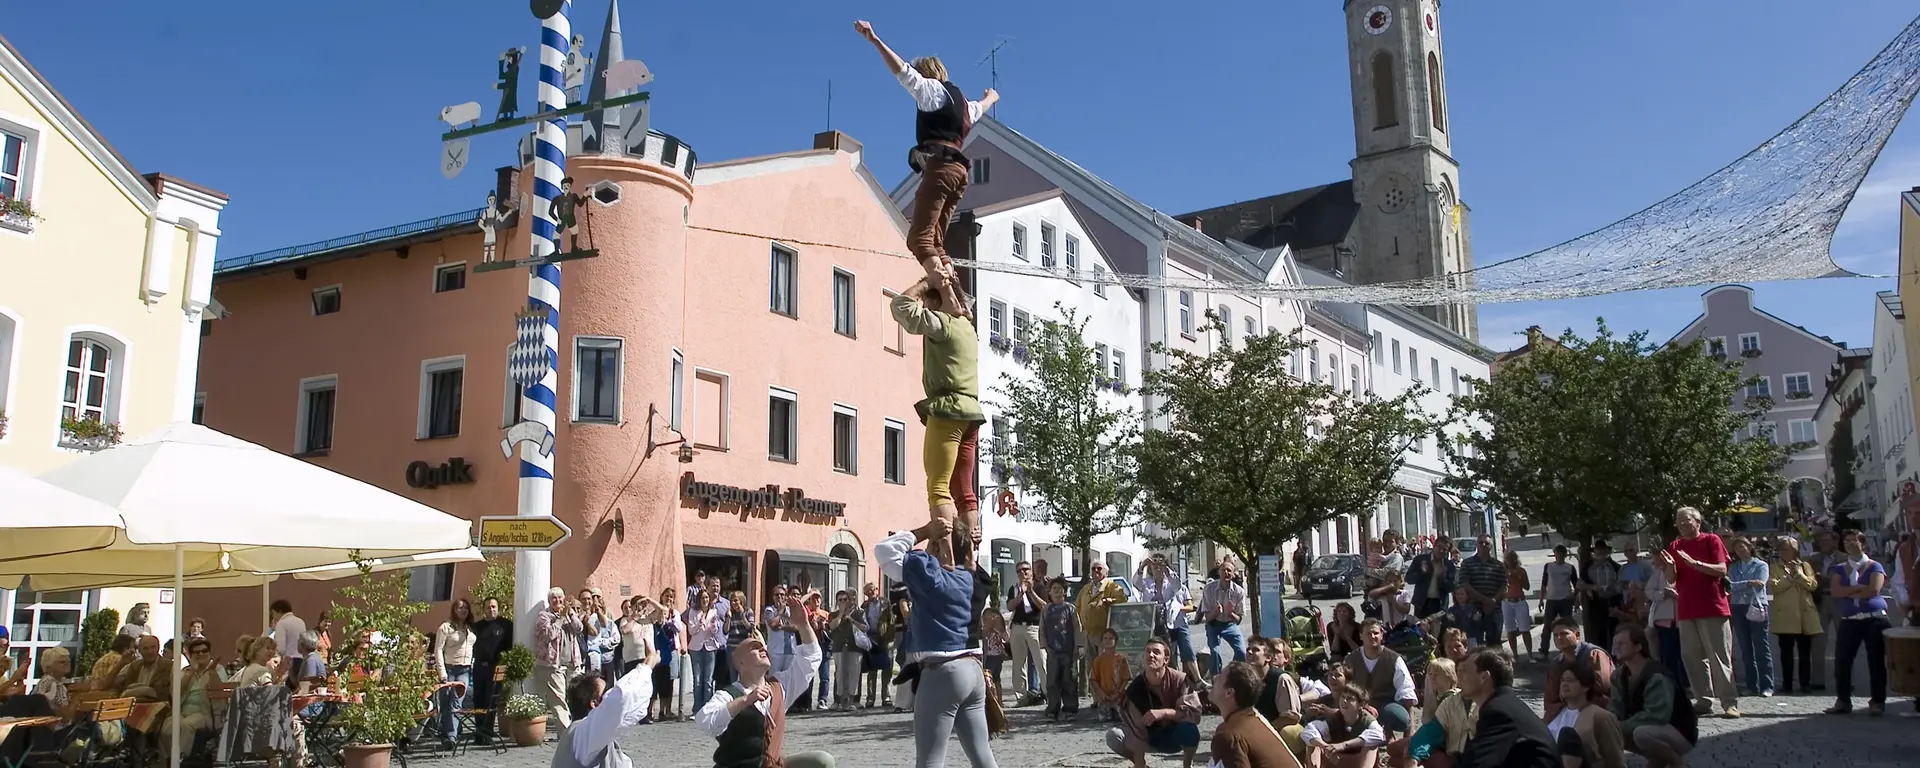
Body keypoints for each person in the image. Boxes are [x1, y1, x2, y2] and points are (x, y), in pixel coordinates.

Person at [853, 19, 997, 316]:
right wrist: (991, 97)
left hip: (942, 168)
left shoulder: (931, 91)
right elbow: (981, 107)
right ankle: (962, 304)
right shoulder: (963, 105)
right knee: (936, 242)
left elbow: (902, 71)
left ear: (928, 74)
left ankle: (952, 303)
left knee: (918, 239)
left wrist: (874, 39)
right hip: (960, 173)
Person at [875, 518, 999, 768]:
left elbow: (884, 550)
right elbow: (976, 570)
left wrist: (924, 531)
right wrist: (966, 544)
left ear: (944, 548)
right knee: (982, 756)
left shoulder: (930, 575)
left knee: (930, 761)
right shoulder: (969, 578)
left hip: (943, 670)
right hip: (972, 670)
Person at [890, 276, 987, 565]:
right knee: (964, 489)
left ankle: (946, 556)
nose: (926, 307)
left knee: (938, 485)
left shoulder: (942, 324)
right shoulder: (968, 329)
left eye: (929, 302)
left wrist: (922, 284)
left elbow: (901, 307)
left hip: (947, 410)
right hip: (970, 413)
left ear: (937, 302)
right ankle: (970, 557)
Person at [697, 595, 834, 768]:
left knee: (821, 761)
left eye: (763, 647)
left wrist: (803, 625)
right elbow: (705, 720)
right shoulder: (728, 695)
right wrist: (746, 700)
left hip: (771, 765)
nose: (763, 648)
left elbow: (810, 658)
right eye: (754, 647)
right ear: (740, 662)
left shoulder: (779, 687)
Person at [1666, 506, 1739, 718]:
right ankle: (1703, 699)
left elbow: (1721, 569)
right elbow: (1672, 579)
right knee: (1691, 657)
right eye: (1678, 520)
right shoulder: (1675, 545)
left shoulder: (1711, 540)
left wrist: (1694, 563)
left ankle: (1729, 702)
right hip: (1686, 609)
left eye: (1686, 520)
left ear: (1698, 522)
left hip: (1712, 606)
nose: (1681, 524)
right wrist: (1670, 566)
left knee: (1719, 657)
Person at [1107, 638, 1202, 768]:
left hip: (1174, 734)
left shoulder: (1180, 680)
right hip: (1147, 737)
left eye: (1156, 652)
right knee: (1114, 736)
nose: (1151, 655)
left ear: (1166, 660)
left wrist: (1164, 713)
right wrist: (1140, 763)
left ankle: (1187, 765)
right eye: (1148, 651)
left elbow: (1192, 714)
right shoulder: (1135, 688)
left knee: (1191, 730)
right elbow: (1136, 729)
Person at [1825, 528, 1890, 716]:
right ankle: (1843, 700)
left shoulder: (1874, 566)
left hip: (1874, 618)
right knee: (1843, 661)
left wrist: (1850, 589)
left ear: (1863, 543)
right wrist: (1858, 588)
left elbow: (1873, 591)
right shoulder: (1840, 568)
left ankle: (1878, 701)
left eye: (1854, 540)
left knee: (1876, 661)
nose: (1850, 544)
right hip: (1850, 620)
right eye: (1847, 541)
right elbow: (1836, 592)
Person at [1458, 647, 1559, 768]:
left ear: (1484, 677)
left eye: (1465, 670)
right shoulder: (1505, 703)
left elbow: (1477, 762)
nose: (1459, 676)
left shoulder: (1499, 712)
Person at [1610, 625, 1694, 768]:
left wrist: (1618, 727)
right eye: (1615, 644)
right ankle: (1657, 761)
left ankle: (1675, 762)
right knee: (1609, 731)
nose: (1616, 648)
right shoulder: (1618, 675)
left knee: (1641, 734)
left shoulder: (1656, 675)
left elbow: (1657, 715)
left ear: (1638, 647)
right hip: (1644, 726)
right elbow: (1616, 708)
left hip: (1678, 731)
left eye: (1621, 644)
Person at [553, 656, 652, 768]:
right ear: (594, 704)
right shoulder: (583, 733)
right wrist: (648, 665)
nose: (610, 694)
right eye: (607, 692)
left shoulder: (591, 734)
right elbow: (622, 698)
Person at [1209, 661, 1304, 768]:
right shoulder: (1256, 719)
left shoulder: (1229, 736)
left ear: (1229, 692)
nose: (1215, 678)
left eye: (1220, 676)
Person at [1384, 658, 1471, 768]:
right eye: (1431, 674)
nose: (1433, 678)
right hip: (1443, 745)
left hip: (1450, 751)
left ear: (1450, 675)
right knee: (1395, 753)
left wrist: (1414, 755)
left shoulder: (1451, 699)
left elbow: (1436, 732)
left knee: (1395, 752)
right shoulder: (1441, 698)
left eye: (1437, 674)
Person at [1340, 619, 1417, 736]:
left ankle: (1388, 731)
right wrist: (1362, 706)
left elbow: (1406, 690)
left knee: (1400, 719)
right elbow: (1343, 686)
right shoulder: (1351, 659)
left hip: (1385, 705)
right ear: (1361, 636)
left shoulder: (1394, 659)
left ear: (1381, 635)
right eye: (1368, 633)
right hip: (1358, 705)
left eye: (1375, 633)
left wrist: (1410, 730)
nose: (1372, 636)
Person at [1765, 535, 1820, 695]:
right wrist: (1789, 578)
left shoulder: (1805, 565)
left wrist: (1800, 575)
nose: (1785, 552)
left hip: (1804, 615)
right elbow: (1774, 587)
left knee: (1804, 653)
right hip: (1785, 615)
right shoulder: (1775, 566)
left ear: (1795, 550)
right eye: (1782, 549)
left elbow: (1812, 585)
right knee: (1786, 653)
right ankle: (1787, 684)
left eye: (1788, 549)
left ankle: (1805, 683)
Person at [1136, 554, 1200, 683]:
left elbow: (1178, 585)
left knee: (1185, 651)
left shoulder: (1170, 581)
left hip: (1174, 621)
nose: (1157, 567)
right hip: (1155, 623)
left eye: (1160, 564)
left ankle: (1196, 679)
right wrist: (1142, 566)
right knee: (1166, 653)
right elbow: (1136, 583)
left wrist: (1166, 570)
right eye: (1154, 564)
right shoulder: (1147, 582)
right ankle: (1169, 680)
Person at [1724, 535, 1774, 697]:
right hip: (1738, 607)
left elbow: (1760, 584)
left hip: (1756, 606)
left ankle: (1767, 685)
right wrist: (1747, 583)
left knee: (1761, 646)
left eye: (1743, 546)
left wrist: (1744, 584)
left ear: (1749, 547)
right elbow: (1730, 586)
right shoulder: (1734, 567)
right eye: (1737, 548)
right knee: (1745, 648)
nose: (1741, 550)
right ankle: (1751, 685)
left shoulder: (1761, 565)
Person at [1550, 664, 1627, 768]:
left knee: (1567, 734)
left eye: (1570, 680)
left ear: (1586, 686)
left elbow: (1615, 758)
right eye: (1562, 680)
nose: (1564, 684)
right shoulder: (1553, 713)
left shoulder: (1600, 716)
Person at [1542, 617, 1613, 722]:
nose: (1559, 638)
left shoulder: (1594, 655)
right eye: (1556, 635)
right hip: (1565, 709)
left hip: (1593, 707)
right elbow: (1550, 698)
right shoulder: (1556, 663)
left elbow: (1603, 690)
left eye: (1564, 634)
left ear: (1577, 635)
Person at [535, 587, 585, 728]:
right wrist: (560, 619)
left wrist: (571, 616)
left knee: (576, 695)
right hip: (553, 664)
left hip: (572, 662)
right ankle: (566, 733)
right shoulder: (544, 616)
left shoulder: (568, 615)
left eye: (560, 597)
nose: (557, 600)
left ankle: (577, 726)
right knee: (558, 699)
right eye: (554, 598)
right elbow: (548, 635)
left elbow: (579, 628)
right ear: (549, 601)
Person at [1075, 561, 1129, 689]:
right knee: (1091, 666)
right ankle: (1096, 697)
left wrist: (1109, 601)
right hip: (1088, 632)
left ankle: (1107, 694)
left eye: (1099, 568)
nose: (1096, 571)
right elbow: (1077, 607)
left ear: (1106, 572)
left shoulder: (1112, 586)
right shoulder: (1086, 588)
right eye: (1093, 569)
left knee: (1105, 665)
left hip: (1104, 633)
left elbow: (1123, 599)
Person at [434, 598, 477, 746]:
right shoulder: (446, 627)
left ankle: (451, 737)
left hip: (464, 670)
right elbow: (438, 649)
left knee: (456, 702)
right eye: (460, 607)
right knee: (446, 703)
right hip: (449, 668)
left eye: (465, 607)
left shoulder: (470, 627)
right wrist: (442, 673)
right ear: (454, 610)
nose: (463, 610)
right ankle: (449, 732)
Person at [472, 597, 514, 744]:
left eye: (493, 607)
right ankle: (478, 733)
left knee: (491, 701)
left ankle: (487, 732)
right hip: (479, 667)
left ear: (498, 608)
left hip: (496, 667)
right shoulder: (477, 627)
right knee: (478, 700)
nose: (491, 610)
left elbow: (509, 648)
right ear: (484, 610)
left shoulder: (506, 625)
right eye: (488, 607)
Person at [1005, 560, 1047, 706]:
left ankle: (1047, 693)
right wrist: (1020, 594)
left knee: (1041, 661)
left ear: (1031, 571)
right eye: (1019, 571)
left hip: (1034, 627)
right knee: (1018, 664)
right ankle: (1021, 696)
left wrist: (1031, 592)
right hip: (1017, 627)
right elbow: (1010, 606)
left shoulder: (1040, 587)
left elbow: (1044, 606)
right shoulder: (1014, 588)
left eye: (1026, 570)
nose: (1023, 573)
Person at [1202, 558, 1249, 676]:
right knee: (1215, 652)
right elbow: (1207, 618)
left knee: (1241, 651)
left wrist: (1231, 614)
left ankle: (1232, 675)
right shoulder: (1209, 588)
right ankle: (1216, 679)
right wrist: (1215, 612)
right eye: (1223, 570)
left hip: (1229, 624)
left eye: (1229, 571)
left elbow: (1239, 620)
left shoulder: (1239, 592)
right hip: (1214, 623)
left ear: (1233, 574)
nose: (1226, 573)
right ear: (1219, 572)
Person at [1459, 536, 1508, 648]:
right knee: (1474, 643)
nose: (1483, 545)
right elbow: (1464, 584)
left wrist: (1494, 601)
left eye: (1486, 543)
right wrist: (1485, 600)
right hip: (1473, 609)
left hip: (1494, 609)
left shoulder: (1498, 565)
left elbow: (1504, 585)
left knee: (1495, 642)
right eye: (1480, 543)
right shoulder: (1467, 563)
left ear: (1491, 546)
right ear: (1477, 545)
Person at [1042, 580, 1080, 720]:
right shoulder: (1047, 609)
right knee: (1052, 681)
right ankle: (1053, 709)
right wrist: (1045, 646)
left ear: (1065, 591)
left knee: (1069, 680)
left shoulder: (1070, 609)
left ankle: (1070, 709)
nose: (1057, 591)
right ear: (1049, 592)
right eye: (1054, 588)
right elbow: (1042, 629)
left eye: (1060, 588)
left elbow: (1077, 628)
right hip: (1053, 651)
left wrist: (1077, 646)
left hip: (1068, 650)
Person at [1538, 546, 1577, 657]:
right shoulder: (1549, 566)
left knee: (1567, 626)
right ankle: (1544, 650)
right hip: (1551, 599)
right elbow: (1544, 584)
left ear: (1565, 555)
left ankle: (1569, 647)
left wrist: (1575, 597)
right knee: (1547, 626)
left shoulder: (1569, 567)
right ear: (1555, 554)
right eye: (1557, 553)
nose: (1559, 556)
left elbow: (1576, 584)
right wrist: (1541, 600)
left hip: (1565, 599)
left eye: (1562, 554)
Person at [1406, 535, 1458, 620]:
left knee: (1438, 631)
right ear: (1434, 546)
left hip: (1439, 604)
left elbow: (1452, 586)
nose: (1441, 551)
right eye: (1439, 547)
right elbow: (1408, 579)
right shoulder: (1420, 559)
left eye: (1445, 549)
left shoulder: (1449, 565)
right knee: (1420, 631)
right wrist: (1423, 573)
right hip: (1422, 603)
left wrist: (1441, 578)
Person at [1090, 629, 1132, 723]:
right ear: (1102, 641)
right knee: (1104, 719)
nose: (1108, 640)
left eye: (1111, 638)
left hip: (1118, 697)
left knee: (1121, 718)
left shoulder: (1121, 659)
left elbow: (1126, 679)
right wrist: (1101, 694)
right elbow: (1093, 680)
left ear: (1116, 641)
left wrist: (1118, 693)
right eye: (1105, 638)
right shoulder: (1098, 661)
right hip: (1104, 698)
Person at [1500, 550, 1534, 658]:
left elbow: (1527, 587)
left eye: (1512, 557)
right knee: (1510, 629)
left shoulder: (1521, 571)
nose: (1510, 560)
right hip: (1506, 602)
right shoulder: (1502, 572)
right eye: (1507, 558)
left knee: (1525, 629)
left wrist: (1517, 578)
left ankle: (1530, 654)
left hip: (1520, 601)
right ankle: (1515, 654)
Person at [269, 599, 306, 687]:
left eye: (274, 613)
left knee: (289, 691)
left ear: (279, 611)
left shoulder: (282, 623)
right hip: (302, 659)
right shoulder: (300, 622)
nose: (273, 617)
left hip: (289, 661)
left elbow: (280, 647)